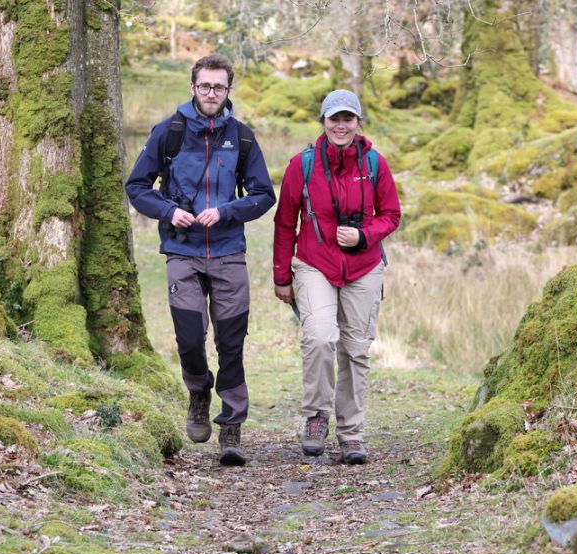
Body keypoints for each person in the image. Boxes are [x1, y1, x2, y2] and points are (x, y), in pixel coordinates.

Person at [126, 54, 276, 467]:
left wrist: (227, 211)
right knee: (189, 339)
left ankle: (231, 426)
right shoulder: (168, 133)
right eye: (205, 86)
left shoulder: (242, 138)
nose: (212, 94)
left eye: (219, 87)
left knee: (231, 342)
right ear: (192, 87)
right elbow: (137, 185)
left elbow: (264, 195)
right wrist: (168, 210)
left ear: (229, 91)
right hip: (182, 251)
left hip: (228, 252)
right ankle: (197, 393)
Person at [272, 89, 401, 465]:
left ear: (358, 122)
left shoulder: (375, 163)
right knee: (319, 336)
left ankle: (352, 435)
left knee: (356, 349)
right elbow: (284, 223)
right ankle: (316, 416)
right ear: (323, 122)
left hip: (363, 266)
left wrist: (364, 235)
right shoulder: (303, 165)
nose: (341, 125)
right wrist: (282, 275)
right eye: (334, 119)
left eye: (348, 119)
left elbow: (391, 214)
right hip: (315, 263)